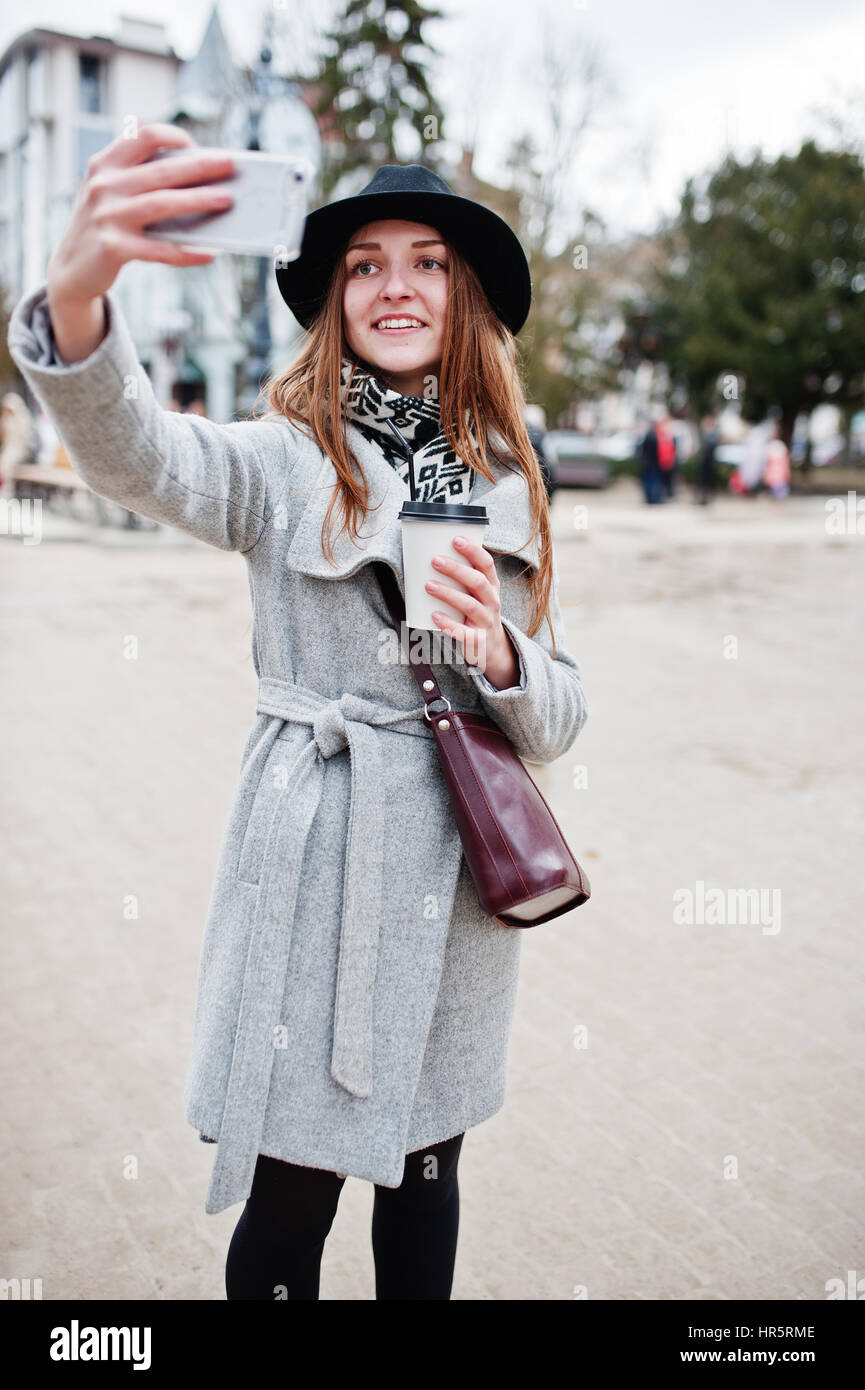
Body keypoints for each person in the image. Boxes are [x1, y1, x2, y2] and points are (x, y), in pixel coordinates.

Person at [7, 123, 588, 1301]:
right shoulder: (284, 458)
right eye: (365, 263)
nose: (396, 285)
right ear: (334, 298)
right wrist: (76, 304)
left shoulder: (505, 475)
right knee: (292, 1193)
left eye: (426, 260)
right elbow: (143, 457)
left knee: (429, 1173)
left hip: (457, 886)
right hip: (320, 861)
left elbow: (563, 714)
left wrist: (504, 652)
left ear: (463, 293)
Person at [696, 414, 719, 505]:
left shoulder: (711, 436)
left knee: (706, 482)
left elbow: (709, 450)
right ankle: (704, 498)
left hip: (708, 464)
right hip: (706, 463)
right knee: (704, 482)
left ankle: (705, 498)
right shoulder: (709, 435)